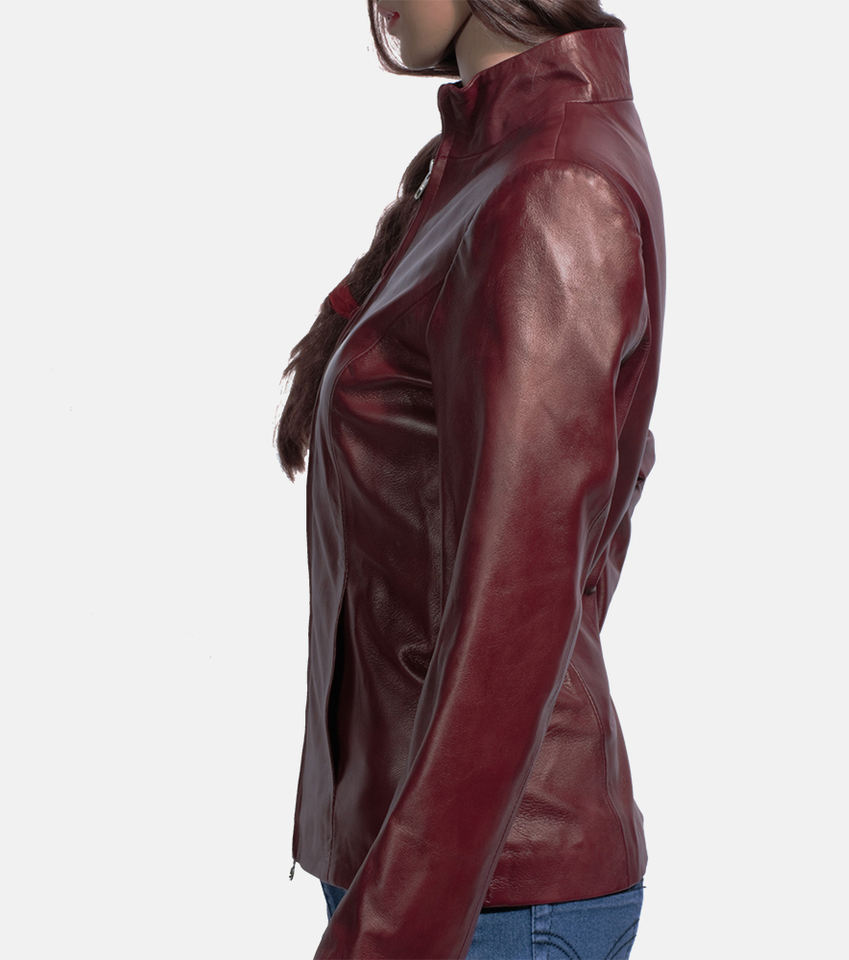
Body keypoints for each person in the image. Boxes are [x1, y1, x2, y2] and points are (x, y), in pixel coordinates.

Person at [273, 2, 666, 957]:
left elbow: (519, 607)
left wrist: (389, 932)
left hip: (482, 899)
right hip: (427, 871)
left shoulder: (552, 184)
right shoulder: (503, 158)